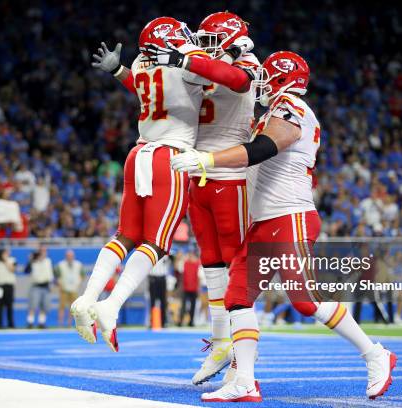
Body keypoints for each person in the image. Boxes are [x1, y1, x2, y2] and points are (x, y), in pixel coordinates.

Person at [171, 51, 396, 401]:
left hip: (289, 216)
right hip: (266, 222)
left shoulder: (292, 108)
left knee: (305, 300)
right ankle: (245, 380)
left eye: (265, 75)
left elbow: (262, 149)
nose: (259, 81)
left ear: (282, 79)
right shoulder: (271, 112)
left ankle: (375, 353)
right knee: (237, 298)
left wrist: (208, 159)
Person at [70, 16, 212, 351]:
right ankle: (110, 305)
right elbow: (225, 80)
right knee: (157, 243)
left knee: (125, 235)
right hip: (171, 156)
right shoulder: (186, 62)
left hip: (139, 154)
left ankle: (88, 296)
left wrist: (120, 72)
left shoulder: (142, 60)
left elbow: (146, 85)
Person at [182, 11, 259, 385]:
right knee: (210, 264)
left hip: (230, 174)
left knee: (235, 267)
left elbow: (236, 80)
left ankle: (241, 363)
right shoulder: (204, 62)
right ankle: (220, 342)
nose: (204, 46)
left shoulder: (246, 62)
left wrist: (197, 59)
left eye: (212, 39)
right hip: (197, 174)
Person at [25, 245, 54, 328]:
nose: (43, 253)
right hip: (36, 286)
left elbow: (51, 274)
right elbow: (26, 271)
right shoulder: (33, 261)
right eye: (42, 251)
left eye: (45, 251)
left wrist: (52, 284)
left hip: (46, 286)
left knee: (44, 306)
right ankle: (30, 322)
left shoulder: (49, 261)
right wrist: (30, 260)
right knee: (33, 305)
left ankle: (41, 322)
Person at [55, 250, 84, 327]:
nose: (69, 257)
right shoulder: (61, 264)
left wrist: (78, 283)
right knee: (62, 306)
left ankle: (69, 323)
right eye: (68, 256)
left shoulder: (78, 264)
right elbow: (56, 276)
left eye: (71, 256)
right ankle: (60, 324)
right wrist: (60, 284)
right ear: (66, 256)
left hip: (74, 289)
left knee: (72, 307)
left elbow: (82, 275)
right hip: (64, 288)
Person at [0, 248, 16, 329]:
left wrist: (5, 260)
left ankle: (10, 324)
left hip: (8, 286)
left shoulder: (12, 259)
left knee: (9, 305)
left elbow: (12, 269)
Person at [178, 253, 201, 327]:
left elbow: (199, 277)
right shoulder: (184, 263)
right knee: (183, 306)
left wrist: (198, 288)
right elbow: (178, 270)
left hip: (193, 288)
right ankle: (181, 321)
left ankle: (191, 321)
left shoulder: (197, 264)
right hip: (185, 287)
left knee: (193, 306)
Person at [149, 255, 171, 328]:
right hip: (153, 278)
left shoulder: (166, 253)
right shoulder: (151, 252)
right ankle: (152, 321)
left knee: (163, 301)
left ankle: (164, 322)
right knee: (152, 301)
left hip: (162, 278)